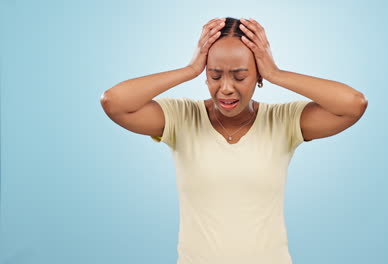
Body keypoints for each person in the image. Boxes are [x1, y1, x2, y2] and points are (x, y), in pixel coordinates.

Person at [100, 17, 368, 264]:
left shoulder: (282, 121)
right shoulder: (181, 117)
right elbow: (115, 102)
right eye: (215, 75)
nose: (226, 87)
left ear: (258, 76)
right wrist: (190, 68)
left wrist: (276, 73)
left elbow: (353, 104)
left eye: (239, 76)